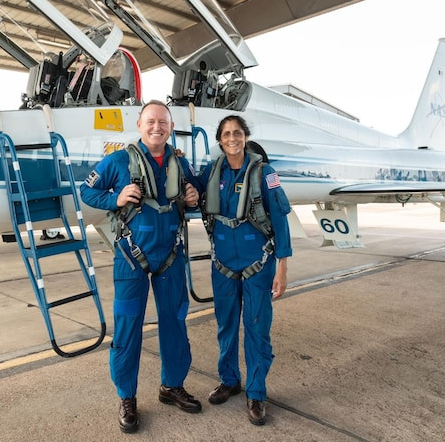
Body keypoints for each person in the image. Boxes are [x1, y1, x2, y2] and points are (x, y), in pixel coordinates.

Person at [80, 100, 203, 433]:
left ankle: (171, 385)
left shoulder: (180, 162)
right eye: (150, 121)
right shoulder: (119, 160)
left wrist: (193, 198)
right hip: (130, 257)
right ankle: (127, 397)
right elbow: (87, 191)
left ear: (170, 126)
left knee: (175, 322)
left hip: (170, 256)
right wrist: (115, 199)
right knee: (128, 326)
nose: (156, 127)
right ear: (139, 125)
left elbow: (196, 191)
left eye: (162, 122)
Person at [197, 115, 292, 426]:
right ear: (220, 140)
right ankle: (230, 380)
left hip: (259, 264)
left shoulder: (266, 173)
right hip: (222, 264)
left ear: (245, 136)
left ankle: (256, 392)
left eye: (237, 133)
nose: (232, 138)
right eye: (226, 134)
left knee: (256, 329)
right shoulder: (212, 172)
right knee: (225, 327)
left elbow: (280, 220)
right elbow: (189, 189)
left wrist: (282, 268)